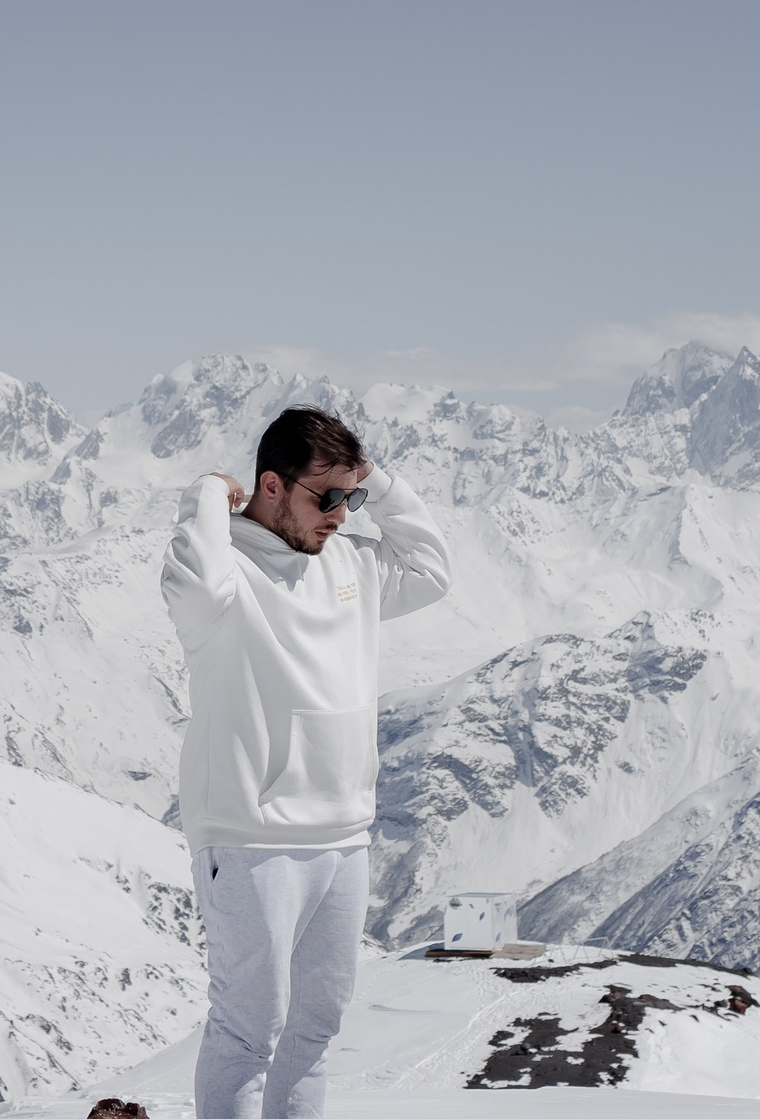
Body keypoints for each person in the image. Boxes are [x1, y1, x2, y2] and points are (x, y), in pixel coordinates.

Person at [160, 405, 452, 1119]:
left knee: (315, 1031)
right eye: (328, 497)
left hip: (344, 836)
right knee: (246, 1033)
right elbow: (192, 586)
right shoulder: (224, 572)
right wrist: (207, 492)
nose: (342, 515)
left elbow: (433, 570)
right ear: (271, 485)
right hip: (251, 837)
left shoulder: (350, 563)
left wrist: (376, 482)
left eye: (352, 497)